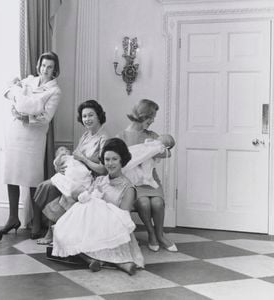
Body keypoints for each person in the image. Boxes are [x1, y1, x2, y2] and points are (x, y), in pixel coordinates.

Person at [52, 138, 144, 276]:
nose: (110, 163)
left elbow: (123, 220)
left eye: (114, 159)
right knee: (61, 232)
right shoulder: (100, 180)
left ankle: (117, 262)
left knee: (85, 239)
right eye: (107, 159)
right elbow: (86, 203)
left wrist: (100, 206)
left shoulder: (128, 188)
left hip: (114, 229)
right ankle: (92, 260)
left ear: (122, 160)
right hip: (94, 225)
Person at [32, 99, 108, 243]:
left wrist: (84, 160)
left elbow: (103, 169)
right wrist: (59, 167)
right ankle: (52, 228)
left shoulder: (103, 138)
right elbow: (74, 158)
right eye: (84, 116)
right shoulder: (85, 136)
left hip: (90, 180)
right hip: (75, 175)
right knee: (46, 186)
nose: (87, 119)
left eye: (91, 115)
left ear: (99, 116)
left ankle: (52, 231)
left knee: (51, 187)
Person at [1, 51, 61, 234]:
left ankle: (35, 220)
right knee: (12, 174)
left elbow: (45, 117)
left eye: (49, 67)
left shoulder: (55, 91)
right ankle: (12, 217)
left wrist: (25, 115)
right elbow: (10, 95)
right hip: (16, 133)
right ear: (39, 66)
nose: (45, 70)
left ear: (54, 70)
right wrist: (18, 107)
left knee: (33, 179)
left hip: (34, 137)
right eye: (43, 65)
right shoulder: (28, 81)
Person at [117, 99, 177, 252]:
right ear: (142, 115)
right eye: (151, 117)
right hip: (133, 180)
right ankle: (151, 233)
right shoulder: (121, 136)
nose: (152, 121)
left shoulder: (152, 135)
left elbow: (166, 152)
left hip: (150, 178)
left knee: (157, 203)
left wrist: (156, 149)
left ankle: (160, 235)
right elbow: (119, 160)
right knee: (143, 203)